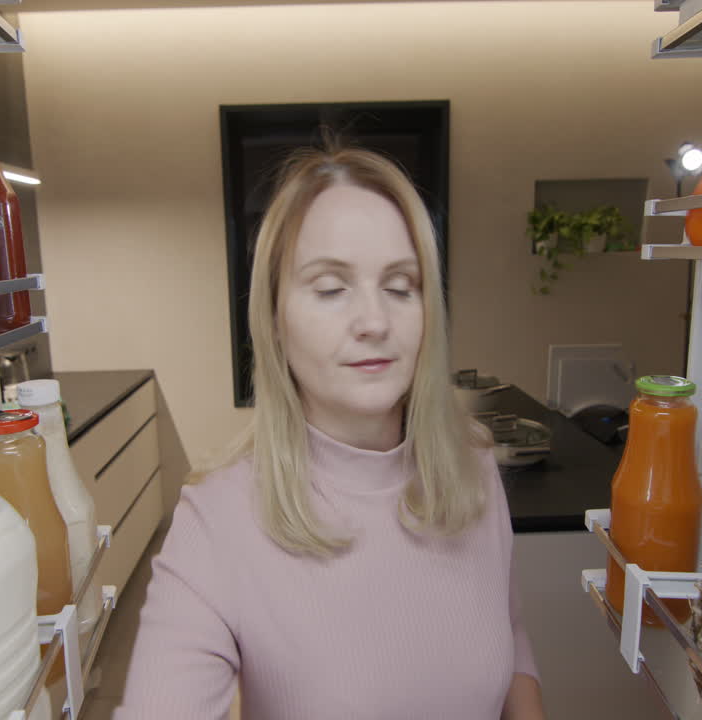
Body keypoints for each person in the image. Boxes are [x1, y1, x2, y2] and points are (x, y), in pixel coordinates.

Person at [114, 145, 545, 719]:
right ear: (274, 318)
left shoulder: (473, 466)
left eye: (400, 286)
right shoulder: (216, 519)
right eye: (330, 288)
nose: (374, 322)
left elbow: (511, 642)